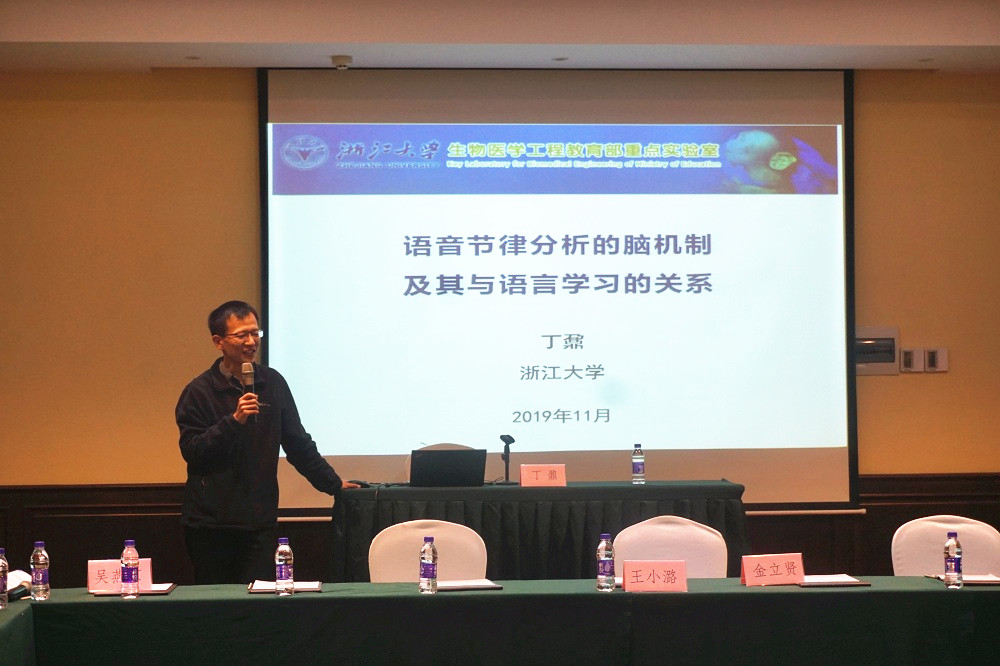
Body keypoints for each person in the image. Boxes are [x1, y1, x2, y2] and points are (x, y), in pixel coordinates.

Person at [175, 300, 359, 584]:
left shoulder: (272, 382)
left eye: (255, 333)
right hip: (210, 525)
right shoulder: (199, 391)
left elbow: (297, 443)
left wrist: (332, 484)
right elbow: (193, 451)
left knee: (258, 598)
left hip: (259, 520)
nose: (251, 342)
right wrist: (233, 421)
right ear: (218, 341)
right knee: (215, 602)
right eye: (241, 335)